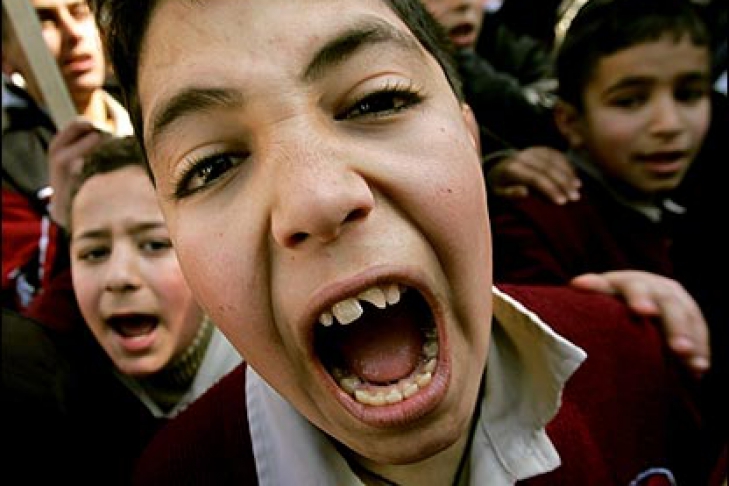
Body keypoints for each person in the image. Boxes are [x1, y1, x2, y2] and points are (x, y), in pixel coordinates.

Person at [91, 0, 721, 484]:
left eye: (376, 101)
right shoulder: (175, 475)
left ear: (471, 139)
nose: (318, 198)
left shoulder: (635, 362)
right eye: (212, 165)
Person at [488, 0, 727, 476]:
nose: (668, 124)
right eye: (630, 101)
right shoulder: (536, 223)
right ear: (570, 122)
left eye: (688, 94)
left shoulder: (698, 201)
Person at [2, 135, 241, 484]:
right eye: (94, 253)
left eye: (155, 245)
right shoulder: (61, 395)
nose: (119, 277)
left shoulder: (271, 378)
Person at [1, 0, 131, 322]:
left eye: (78, 11)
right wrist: (63, 218)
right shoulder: (11, 165)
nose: (73, 34)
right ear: (5, 58)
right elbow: (29, 309)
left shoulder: (152, 107)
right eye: (44, 20)